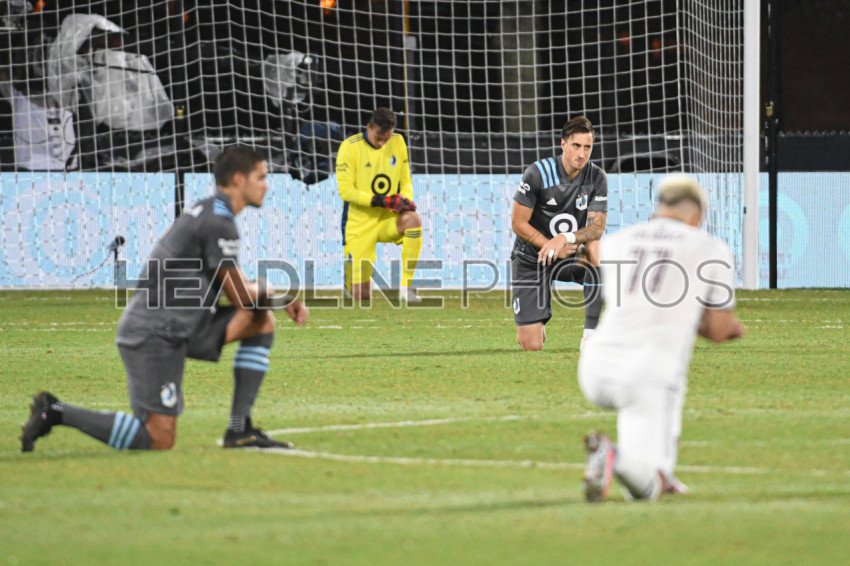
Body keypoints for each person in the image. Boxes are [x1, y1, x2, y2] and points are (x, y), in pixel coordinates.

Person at [21, 145, 309, 453]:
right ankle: (56, 411)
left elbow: (236, 287)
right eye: (261, 177)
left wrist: (278, 298)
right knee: (158, 439)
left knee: (261, 320)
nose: (266, 185)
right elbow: (240, 296)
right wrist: (270, 289)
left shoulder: (209, 212)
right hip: (154, 333)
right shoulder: (218, 222)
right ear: (239, 179)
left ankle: (239, 429)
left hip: (183, 325)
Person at [578, 174, 745, 502]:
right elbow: (718, 330)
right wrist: (728, 328)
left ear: (659, 208)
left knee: (648, 470)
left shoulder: (617, 242)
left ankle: (649, 470)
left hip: (595, 368)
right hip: (647, 373)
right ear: (696, 215)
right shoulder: (711, 248)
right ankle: (616, 457)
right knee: (648, 486)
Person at [510, 115, 607, 350]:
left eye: (587, 147)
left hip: (570, 254)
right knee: (531, 345)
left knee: (595, 248)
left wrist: (564, 239)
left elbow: (597, 228)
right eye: (576, 146)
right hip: (532, 257)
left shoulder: (596, 177)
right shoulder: (537, 173)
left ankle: (590, 334)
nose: (581, 154)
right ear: (563, 144)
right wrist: (550, 246)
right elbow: (518, 223)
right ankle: (535, 321)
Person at [336, 107, 423, 303]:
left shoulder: (398, 142)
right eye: (378, 137)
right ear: (369, 127)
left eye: (387, 137)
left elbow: (405, 180)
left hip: (388, 218)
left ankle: (406, 287)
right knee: (361, 296)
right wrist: (381, 200)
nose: (383, 142)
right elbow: (346, 192)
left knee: (413, 220)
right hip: (359, 224)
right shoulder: (349, 147)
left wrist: (405, 200)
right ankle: (350, 277)